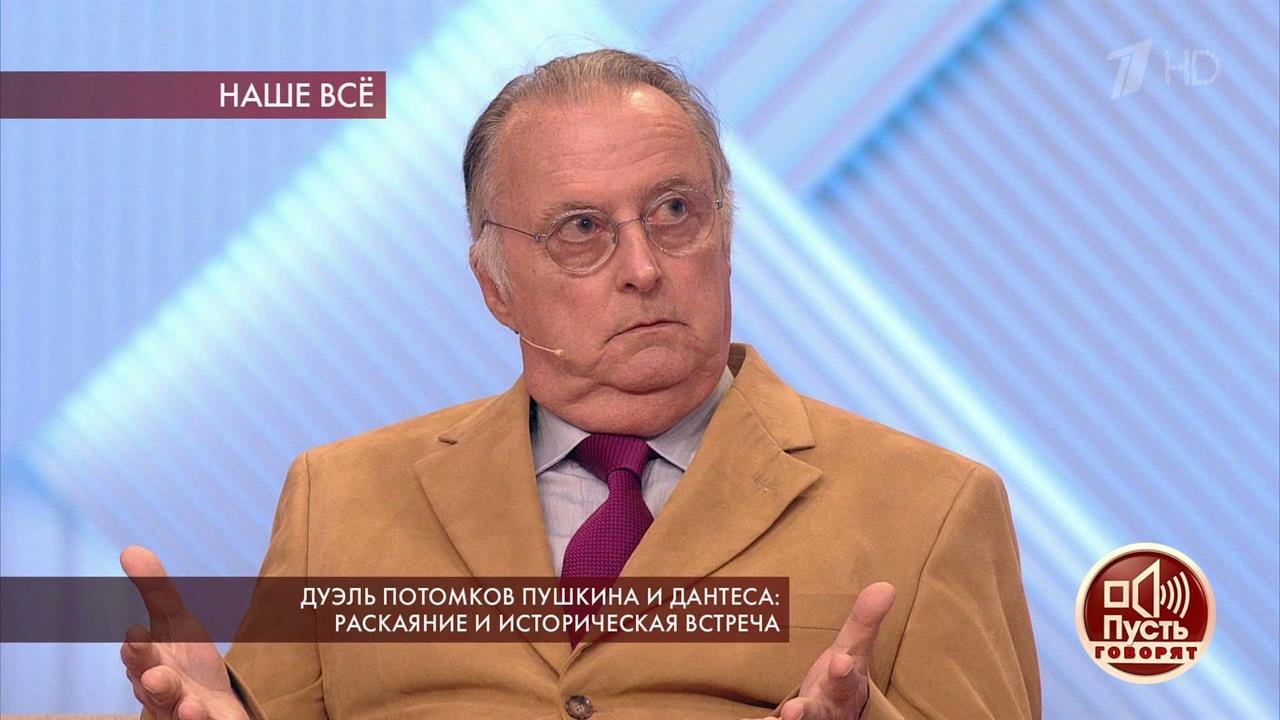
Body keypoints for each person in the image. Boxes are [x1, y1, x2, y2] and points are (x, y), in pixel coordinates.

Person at [120, 49, 1040, 719]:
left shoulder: (933, 508)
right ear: (495, 287)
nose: (643, 267)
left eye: (675, 211)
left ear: (725, 232)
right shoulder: (338, 496)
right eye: (582, 230)